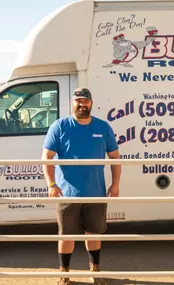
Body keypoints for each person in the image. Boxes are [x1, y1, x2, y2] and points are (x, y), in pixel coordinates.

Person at [41, 87, 121, 285]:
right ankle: (64, 273)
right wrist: (51, 184)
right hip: (66, 194)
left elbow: (115, 158)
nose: (82, 104)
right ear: (72, 103)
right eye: (78, 101)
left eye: (85, 101)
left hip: (96, 192)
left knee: (93, 233)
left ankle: (95, 270)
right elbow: (47, 157)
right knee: (66, 236)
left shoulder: (103, 127)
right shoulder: (60, 126)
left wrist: (115, 184)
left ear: (91, 103)